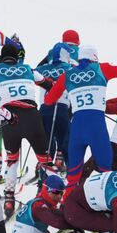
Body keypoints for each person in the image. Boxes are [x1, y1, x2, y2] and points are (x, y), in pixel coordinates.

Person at [44, 43, 117, 194]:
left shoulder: (68, 75)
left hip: (77, 129)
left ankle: (67, 207)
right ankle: (105, 204)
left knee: (73, 177)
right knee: (106, 173)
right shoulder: (102, 68)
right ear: (95, 58)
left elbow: (49, 101)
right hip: (96, 128)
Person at [0, 43, 56, 217]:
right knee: (46, 161)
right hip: (32, 117)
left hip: (9, 119)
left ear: (2, 57)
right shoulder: (28, 69)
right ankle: (51, 197)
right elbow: (49, 84)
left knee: (12, 161)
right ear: (18, 57)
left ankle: (9, 201)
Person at [35, 43, 74, 172]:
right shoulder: (70, 68)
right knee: (67, 141)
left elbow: (33, 72)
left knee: (46, 144)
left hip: (44, 109)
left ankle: (44, 175)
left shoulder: (42, 68)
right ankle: (70, 173)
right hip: (62, 109)